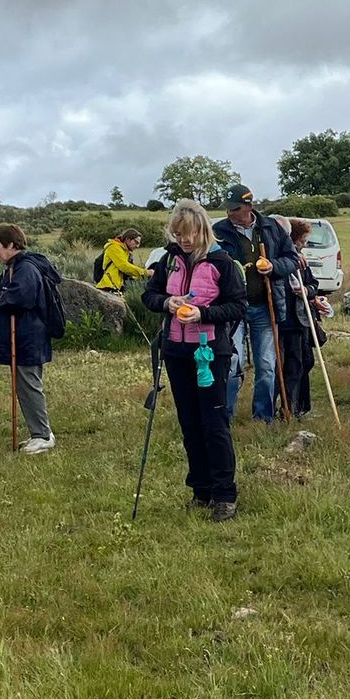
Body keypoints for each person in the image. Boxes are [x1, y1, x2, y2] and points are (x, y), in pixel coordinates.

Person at [142, 200, 248, 521]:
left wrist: (204, 313)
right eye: (178, 234)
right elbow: (150, 295)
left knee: (213, 423)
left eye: (188, 234)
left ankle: (224, 496)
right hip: (176, 351)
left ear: (202, 229)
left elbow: (237, 307)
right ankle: (200, 491)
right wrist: (167, 302)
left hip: (211, 352)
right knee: (189, 424)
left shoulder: (222, 262)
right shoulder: (169, 261)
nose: (184, 240)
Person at [212, 184, 299, 422]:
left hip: (265, 305)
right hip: (232, 308)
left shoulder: (271, 227)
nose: (230, 213)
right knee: (231, 363)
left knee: (267, 365)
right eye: (228, 208)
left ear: (249, 205)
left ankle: (263, 418)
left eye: (235, 208)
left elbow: (292, 258)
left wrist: (273, 267)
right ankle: (224, 417)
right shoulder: (218, 231)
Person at [0, 224, 59, 452]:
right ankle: (37, 431)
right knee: (23, 385)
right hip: (21, 335)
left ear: (11, 245)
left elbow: (21, 297)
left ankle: (43, 435)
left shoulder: (26, 268)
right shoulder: (13, 267)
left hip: (29, 336)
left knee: (29, 385)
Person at [281, 218, 331, 418]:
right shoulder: (285, 258)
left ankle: (302, 406)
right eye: (303, 239)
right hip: (288, 320)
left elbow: (313, 284)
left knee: (306, 361)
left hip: (303, 318)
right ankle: (290, 408)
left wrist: (308, 291)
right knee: (294, 365)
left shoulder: (301, 259)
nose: (305, 243)